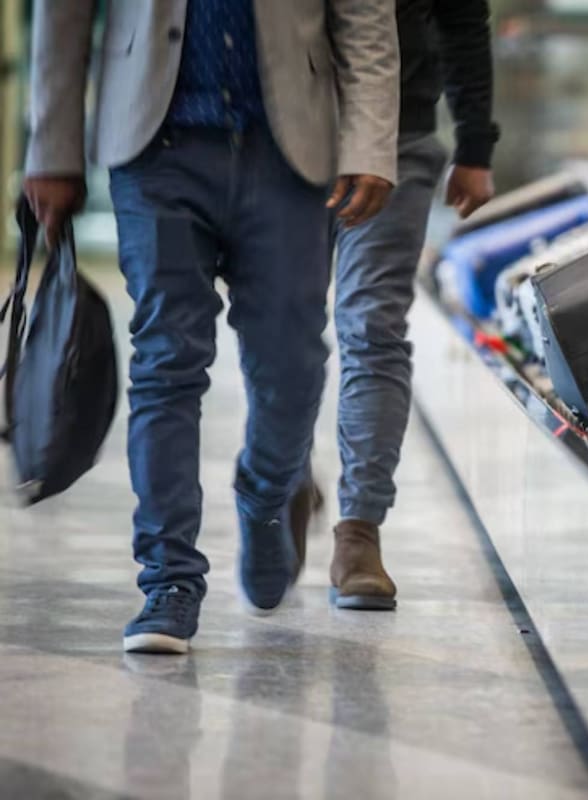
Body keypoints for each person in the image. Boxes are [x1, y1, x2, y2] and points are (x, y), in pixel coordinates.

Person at [23, 0, 400, 654]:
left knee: (292, 366)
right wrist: (52, 146)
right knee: (167, 361)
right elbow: (63, 13)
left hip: (290, 151)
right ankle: (167, 580)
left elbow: (366, 15)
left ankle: (265, 496)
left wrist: (370, 142)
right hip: (158, 150)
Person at [292, 0, 500, 610]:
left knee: (372, 326)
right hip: (282, 133)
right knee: (282, 324)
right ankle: (284, 479)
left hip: (397, 135)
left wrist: (475, 144)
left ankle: (359, 530)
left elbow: (463, 18)